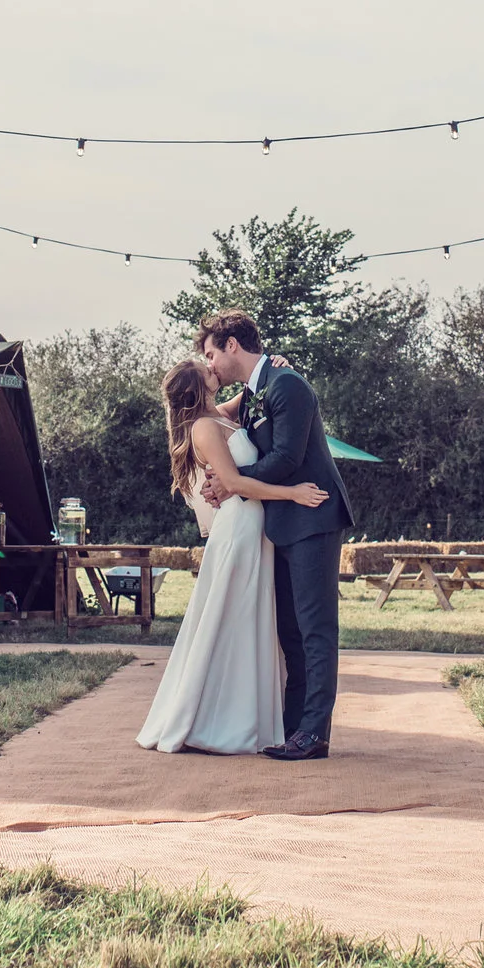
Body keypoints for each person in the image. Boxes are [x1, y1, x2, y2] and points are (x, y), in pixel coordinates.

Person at [136, 357, 329, 754]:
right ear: (199, 386)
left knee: (251, 621)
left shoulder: (219, 414)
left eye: (212, 357)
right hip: (239, 528)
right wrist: (293, 493)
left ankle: (248, 718)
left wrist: (282, 368)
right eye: (205, 366)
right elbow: (237, 482)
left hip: (257, 529)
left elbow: (256, 393)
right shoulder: (205, 427)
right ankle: (213, 721)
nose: (212, 366)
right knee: (231, 618)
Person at [196, 309, 353, 761]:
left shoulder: (288, 385)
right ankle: (294, 728)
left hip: (313, 517)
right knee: (290, 632)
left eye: (211, 353)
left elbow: (286, 458)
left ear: (231, 345)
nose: (210, 365)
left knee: (315, 628)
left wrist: (230, 480)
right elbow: (198, 410)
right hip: (279, 525)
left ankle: (315, 733)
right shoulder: (251, 396)